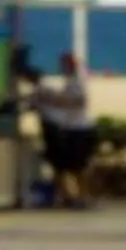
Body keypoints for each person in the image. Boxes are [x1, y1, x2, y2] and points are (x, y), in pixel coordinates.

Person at [30, 49, 96, 208]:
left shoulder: (76, 81)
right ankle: (70, 196)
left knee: (78, 167)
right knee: (65, 165)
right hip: (69, 128)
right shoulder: (68, 83)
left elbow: (79, 101)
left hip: (79, 128)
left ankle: (83, 196)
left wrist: (53, 99)